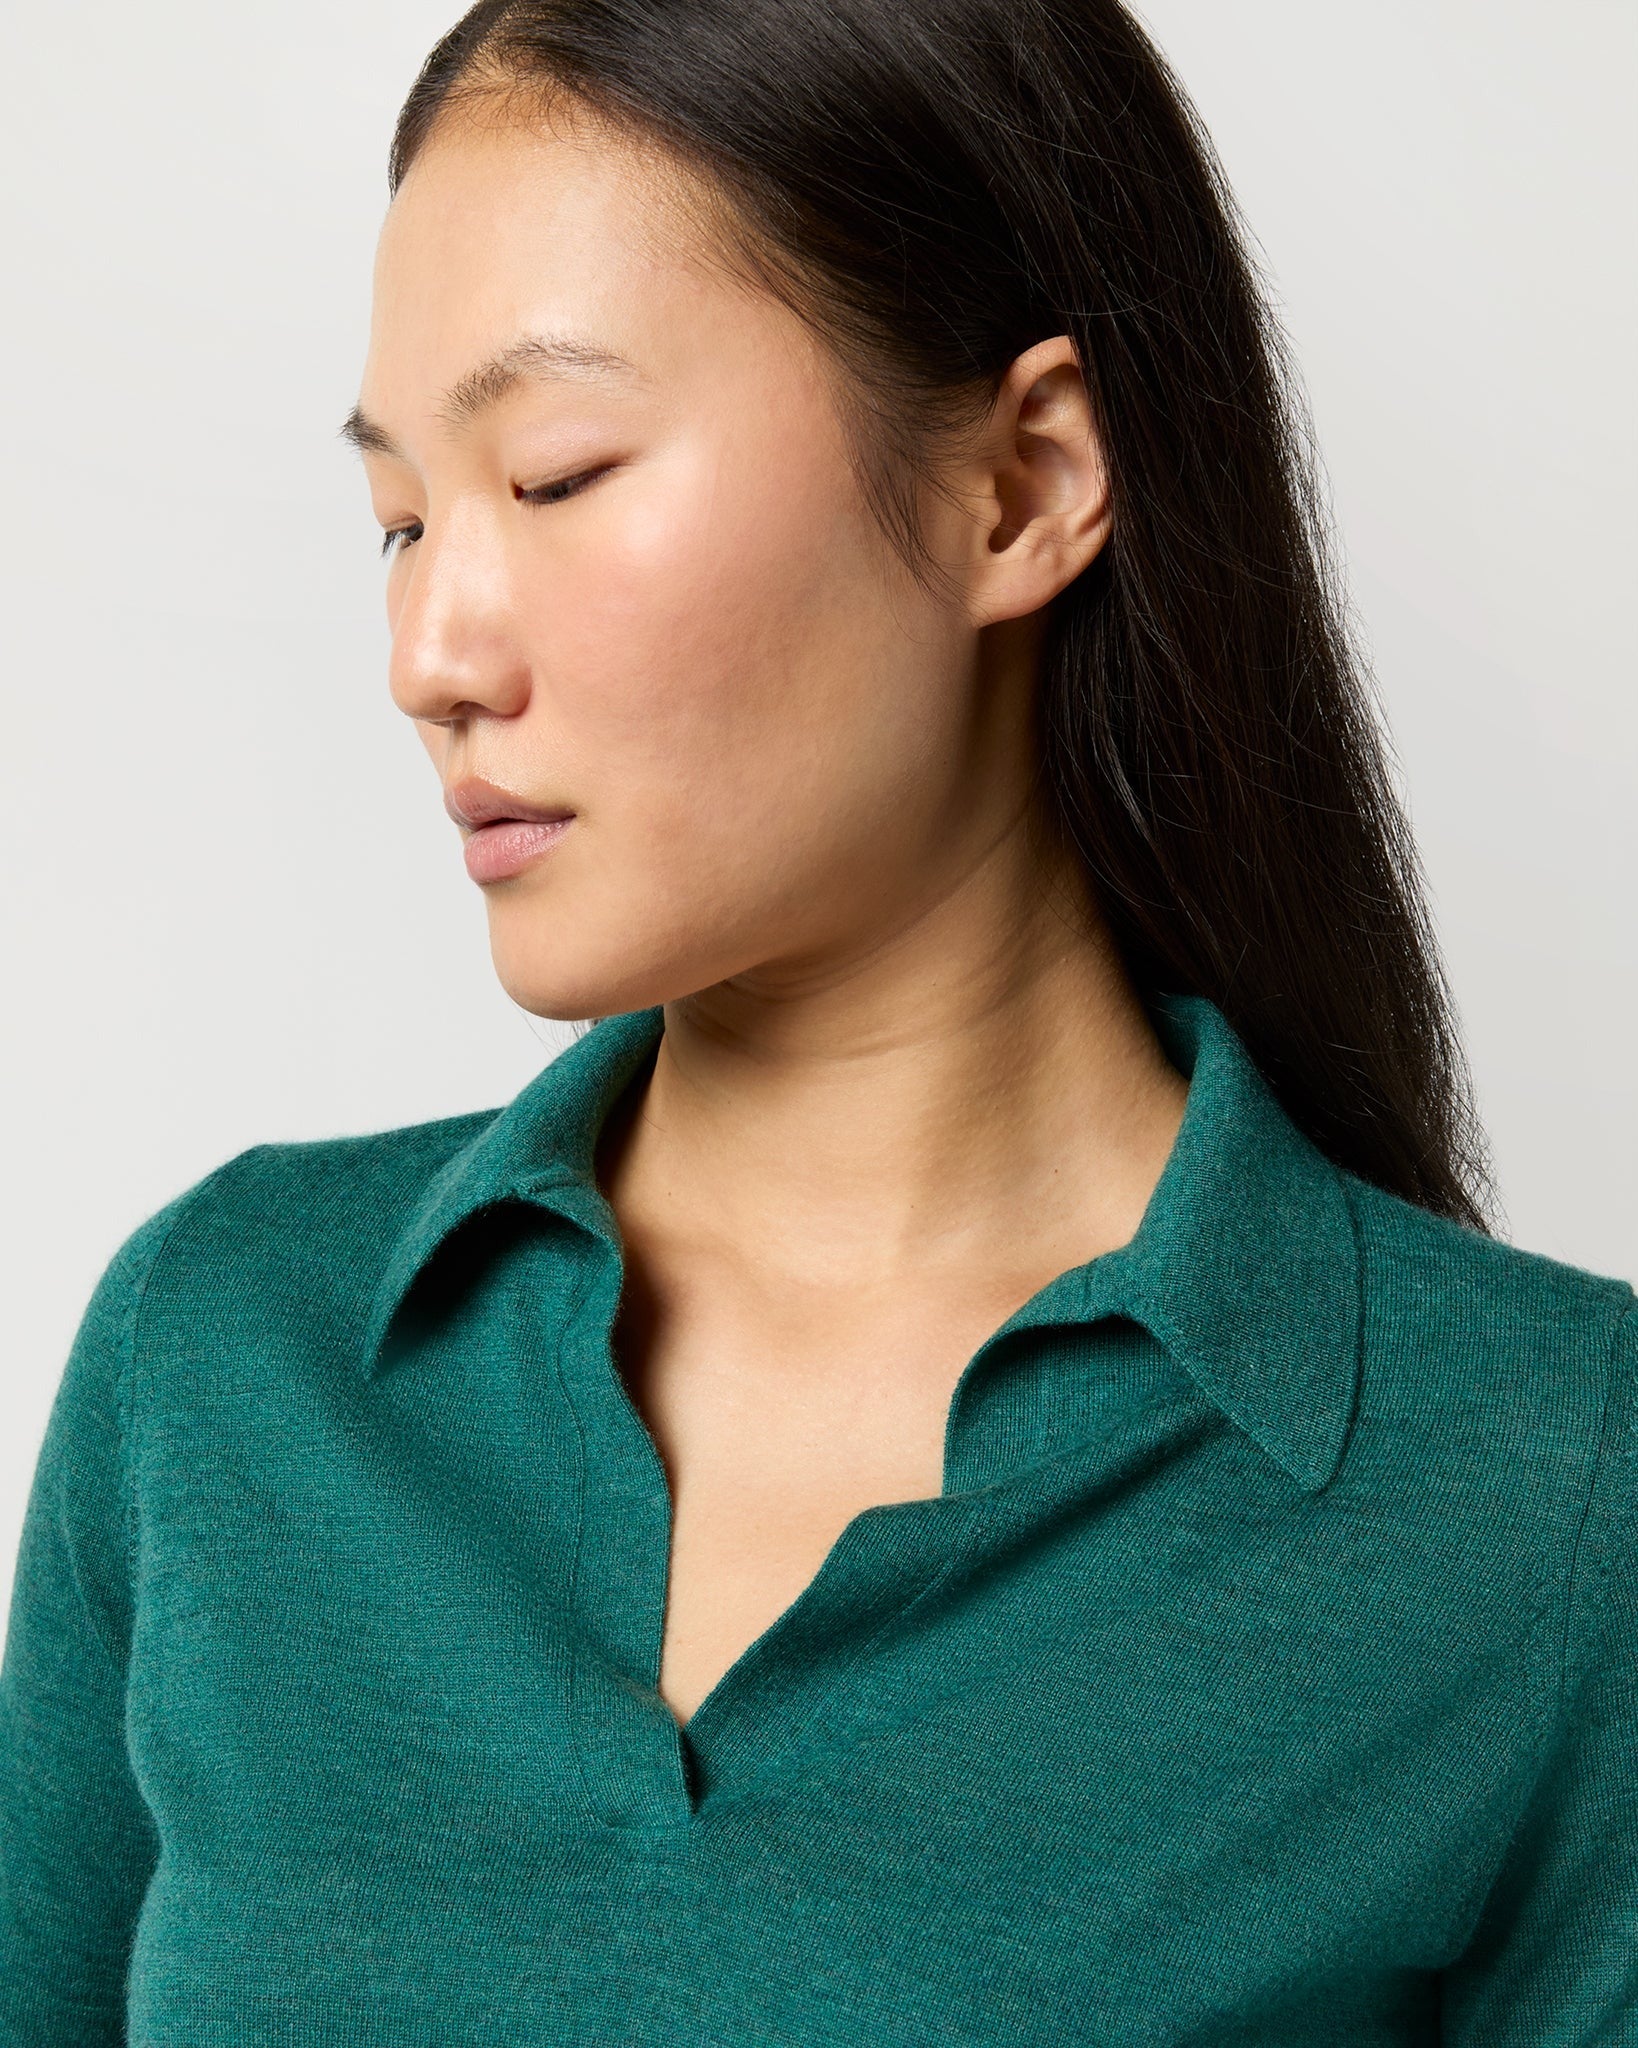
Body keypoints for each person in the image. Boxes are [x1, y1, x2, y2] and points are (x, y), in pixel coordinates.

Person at [2, 1, 1632, 2040]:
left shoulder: (1555, 1495)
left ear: (1022, 486)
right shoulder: (223, 1359)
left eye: (559, 471)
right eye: (402, 518)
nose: (429, 650)